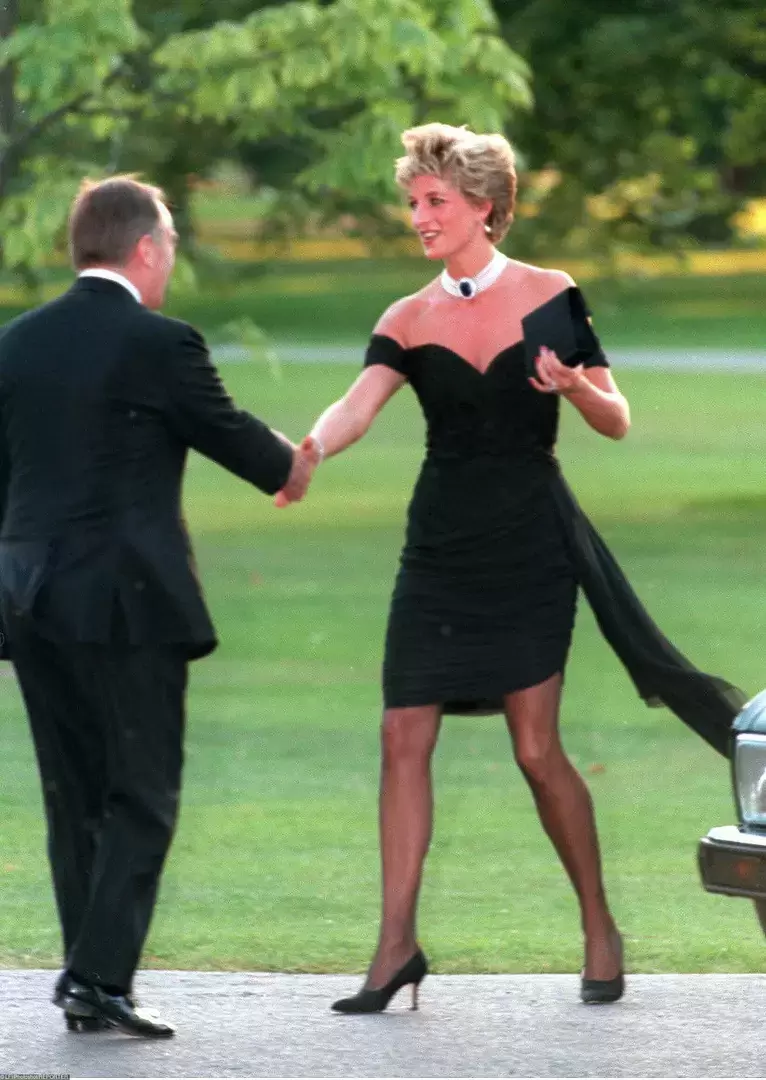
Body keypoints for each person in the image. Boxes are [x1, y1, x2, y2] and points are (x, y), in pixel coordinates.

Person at [280, 123, 747, 1012]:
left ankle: (600, 926)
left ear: (484, 207)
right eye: (413, 202)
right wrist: (309, 449)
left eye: (435, 201)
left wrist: (576, 386)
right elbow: (357, 405)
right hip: (439, 549)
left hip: (530, 542)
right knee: (401, 735)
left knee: (535, 750)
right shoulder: (406, 317)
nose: (419, 216)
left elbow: (617, 420)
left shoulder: (550, 294)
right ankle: (394, 947)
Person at [0, 176, 319, 1037]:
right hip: (125, 600)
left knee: (73, 794)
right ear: (144, 248)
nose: (171, 258)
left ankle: (88, 983)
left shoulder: (15, 344)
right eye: (170, 243)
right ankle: (97, 977)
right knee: (143, 791)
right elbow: (239, 441)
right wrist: (297, 459)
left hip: (28, 595)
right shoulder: (160, 342)